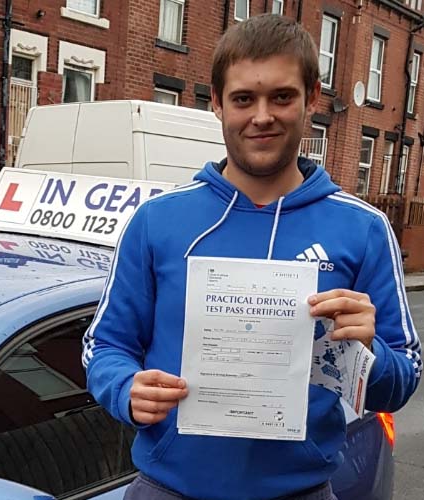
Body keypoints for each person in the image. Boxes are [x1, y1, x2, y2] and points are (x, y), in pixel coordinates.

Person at [82, 14, 421, 500]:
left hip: (301, 491)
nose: (262, 116)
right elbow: (105, 344)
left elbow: (403, 377)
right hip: (168, 489)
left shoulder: (363, 229)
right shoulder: (157, 220)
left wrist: (369, 353)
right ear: (217, 103)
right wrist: (124, 388)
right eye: (243, 99)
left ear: (312, 99)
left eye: (281, 96)